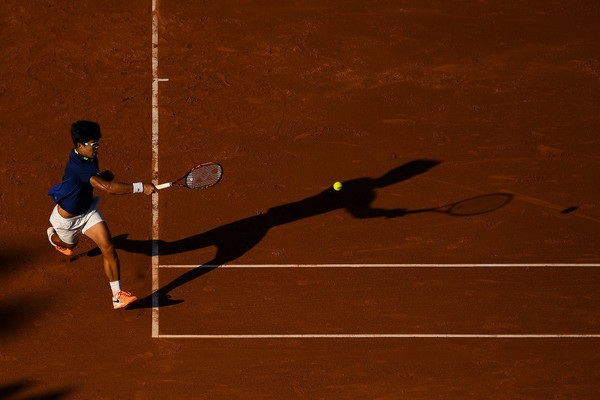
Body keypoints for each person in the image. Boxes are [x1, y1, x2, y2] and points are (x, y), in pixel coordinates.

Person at [47, 121, 156, 310]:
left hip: (87, 211)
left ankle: (117, 295)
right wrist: (141, 187)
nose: (96, 147)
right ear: (80, 146)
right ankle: (52, 236)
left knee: (108, 247)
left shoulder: (87, 157)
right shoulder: (80, 166)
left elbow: (93, 180)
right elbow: (108, 188)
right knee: (69, 245)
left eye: (97, 143)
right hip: (67, 220)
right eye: (92, 144)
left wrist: (100, 176)